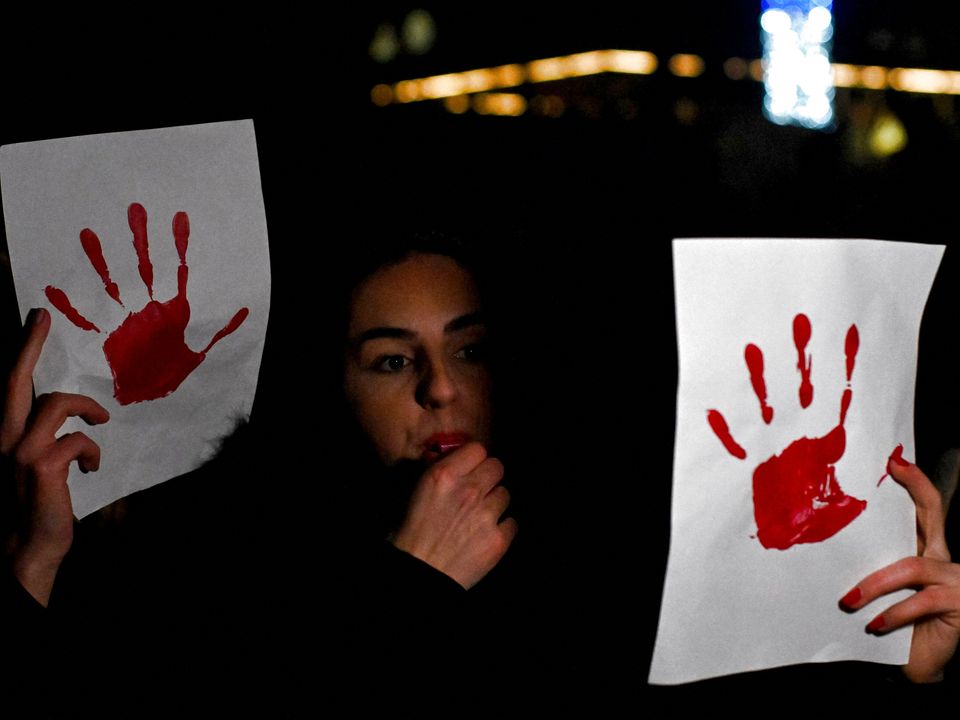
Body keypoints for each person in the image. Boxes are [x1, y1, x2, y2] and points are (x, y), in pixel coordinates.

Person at [4, 231, 960, 707]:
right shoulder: (234, 576)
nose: (439, 391)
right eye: (391, 360)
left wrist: (889, 670)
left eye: (468, 351)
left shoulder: (603, 553)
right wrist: (37, 561)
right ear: (330, 384)